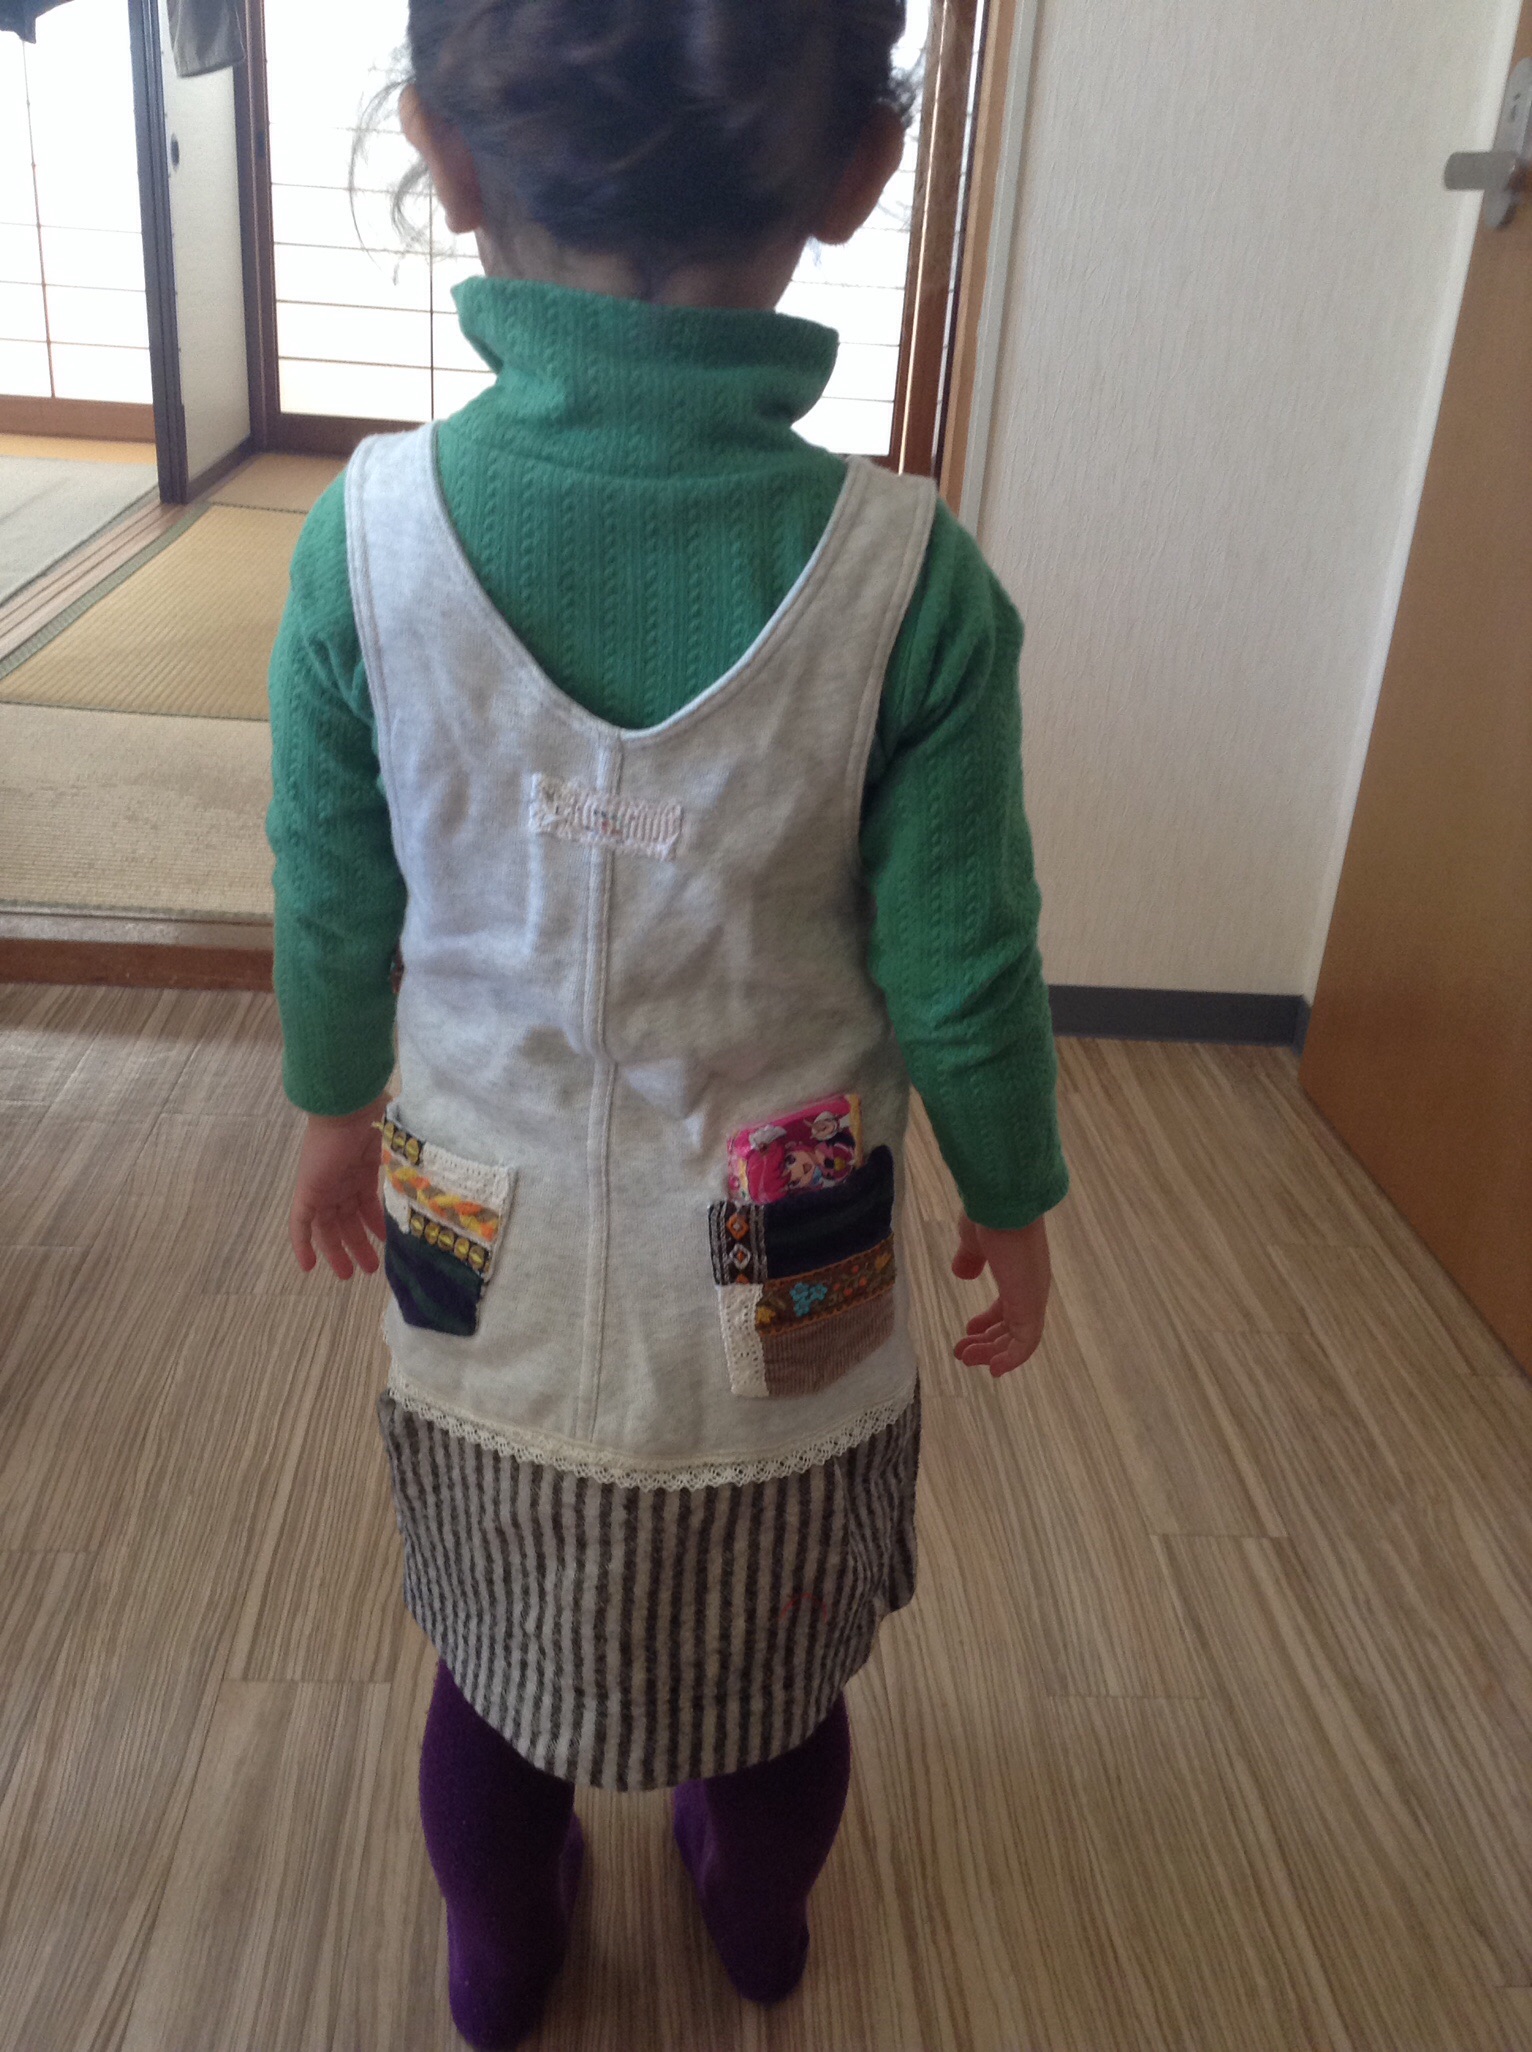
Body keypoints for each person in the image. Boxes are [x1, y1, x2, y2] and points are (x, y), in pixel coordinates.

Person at [267, 1, 1068, 2043]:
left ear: (444, 154)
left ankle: (503, 1946)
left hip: (477, 1228)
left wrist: (334, 1108)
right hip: (787, 1253)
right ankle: (753, 1910)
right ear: (861, 170)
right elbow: (964, 963)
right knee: (781, 1685)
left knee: (491, 1668)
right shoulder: (910, 581)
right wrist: (1012, 1193)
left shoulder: (364, 540)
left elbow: (334, 890)